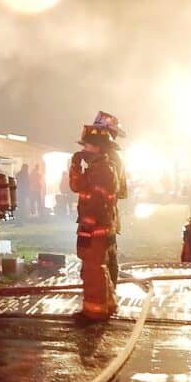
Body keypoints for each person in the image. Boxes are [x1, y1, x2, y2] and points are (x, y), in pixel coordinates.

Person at [69, 123, 121, 321]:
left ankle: (94, 312)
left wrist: (87, 228)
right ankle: (108, 303)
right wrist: (75, 165)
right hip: (96, 226)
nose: (83, 149)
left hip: (95, 227)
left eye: (87, 146)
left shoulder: (102, 171)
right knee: (99, 266)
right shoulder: (96, 168)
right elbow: (76, 186)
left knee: (92, 269)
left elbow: (96, 203)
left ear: (97, 148)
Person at [91, 110, 128, 285]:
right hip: (98, 213)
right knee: (101, 252)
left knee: (106, 253)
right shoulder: (105, 156)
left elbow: (115, 189)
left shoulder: (111, 157)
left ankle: (108, 290)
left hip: (104, 214)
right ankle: (105, 290)